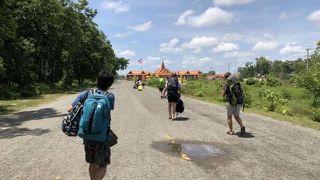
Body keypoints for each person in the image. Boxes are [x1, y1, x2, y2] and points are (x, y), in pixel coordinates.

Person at [70, 70, 115, 180]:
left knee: (92, 162)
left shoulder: (87, 93)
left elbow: (73, 105)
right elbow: (109, 111)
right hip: (102, 136)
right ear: (110, 84)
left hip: (87, 134)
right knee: (103, 165)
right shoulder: (110, 96)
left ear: (97, 80)